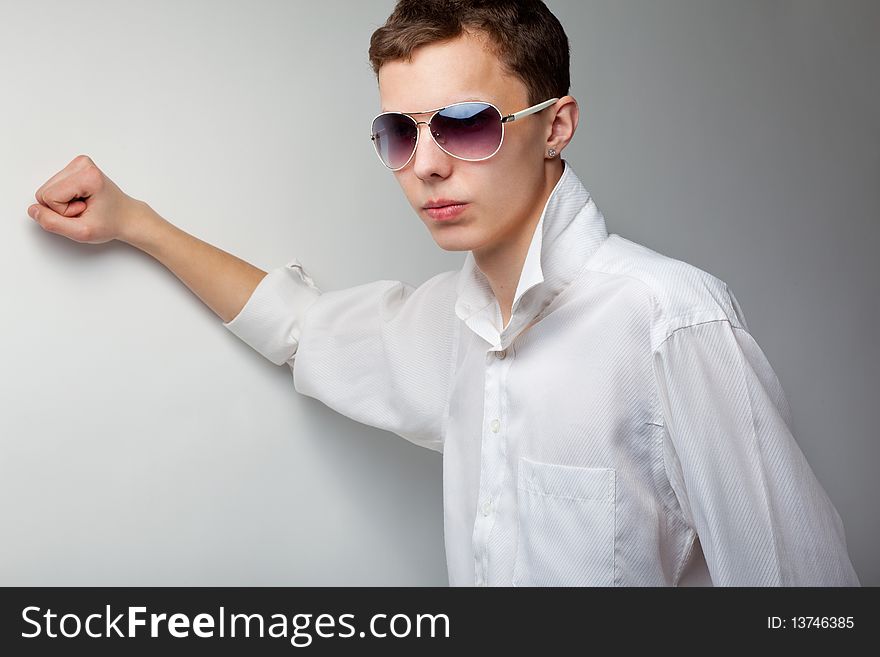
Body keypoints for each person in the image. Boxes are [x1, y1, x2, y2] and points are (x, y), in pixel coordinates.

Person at [26, 0, 859, 587]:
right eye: (398, 132)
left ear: (556, 125)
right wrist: (134, 220)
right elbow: (299, 328)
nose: (424, 165)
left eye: (464, 124)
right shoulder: (444, 328)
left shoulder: (670, 322)